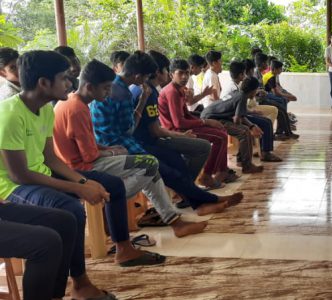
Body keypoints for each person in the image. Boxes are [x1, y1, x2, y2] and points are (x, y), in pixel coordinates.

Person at [0, 50, 114, 300]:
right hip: (11, 187)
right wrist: (77, 188)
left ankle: (76, 285)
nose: (70, 83)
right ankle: (79, 283)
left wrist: (83, 181)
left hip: (35, 178)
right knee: (70, 209)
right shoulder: (10, 115)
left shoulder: (45, 110)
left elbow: (50, 159)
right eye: (64, 78)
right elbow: (19, 176)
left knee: (71, 210)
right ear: (43, 83)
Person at [91, 51, 240, 215]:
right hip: (129, 144)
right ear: (141, 75)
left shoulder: (125, 88)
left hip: (135, 141)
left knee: (176, 163)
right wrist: (141, 103)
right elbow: (131, 130)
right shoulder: (126, 92)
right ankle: (205, 200)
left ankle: (199, 203)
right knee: (167, 169)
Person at [158, 58, 239, 184]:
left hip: (183, 126)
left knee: (221, 129)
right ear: (171, 74)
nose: (185, 76)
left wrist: (205, 121)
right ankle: (207, 175)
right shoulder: (171, 92)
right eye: (180, 73)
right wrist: (205, 122)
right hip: (176, 132)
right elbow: (178, 123)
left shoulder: (180, 89)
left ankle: (222, 170)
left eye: (187, 73)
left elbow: (186, 114)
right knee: (221, 137)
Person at [201, 78, 267, 173]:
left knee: (244, 130)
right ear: (253, 90)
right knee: (244, 132)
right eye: (256, 90)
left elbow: (240, 115)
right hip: (212, 119)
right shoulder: (242, 97)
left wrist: (251, 126)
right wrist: (248, 128)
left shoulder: (238, 93)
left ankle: (241, 160)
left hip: (209, 115)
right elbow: (237, 119)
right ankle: (247, 166)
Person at [262, 60, 299, 140]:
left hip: (268, 94)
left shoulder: (272, 75)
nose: (281, 70)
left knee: (283, 103)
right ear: (275, 69)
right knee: (283, 102)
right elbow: (276, 93)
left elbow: (278, 89)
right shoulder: (270, 77)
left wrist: (287, 95)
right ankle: (283, 131)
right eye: (280, 69)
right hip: (266, 96)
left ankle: (282, 129)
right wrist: (288, 96)